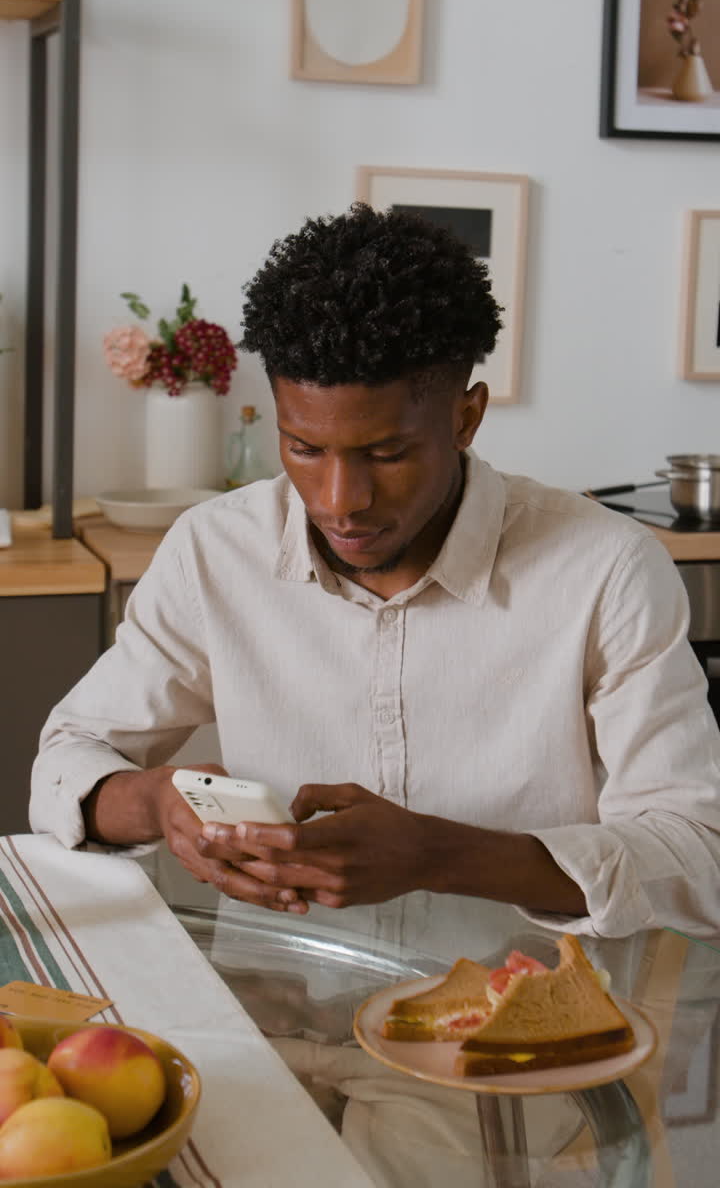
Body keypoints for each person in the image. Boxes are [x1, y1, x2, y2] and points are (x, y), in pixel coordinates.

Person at [30, 204, 720, 939]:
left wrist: (440, 855)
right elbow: (67, 760)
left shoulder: (606, 568)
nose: (340, 503)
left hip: (528, 1025)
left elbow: (698, 857)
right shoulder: (214, 551)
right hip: (281, 1008)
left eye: (386, 455)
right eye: (303, 448)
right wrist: (157, 800)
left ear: (465, 418)